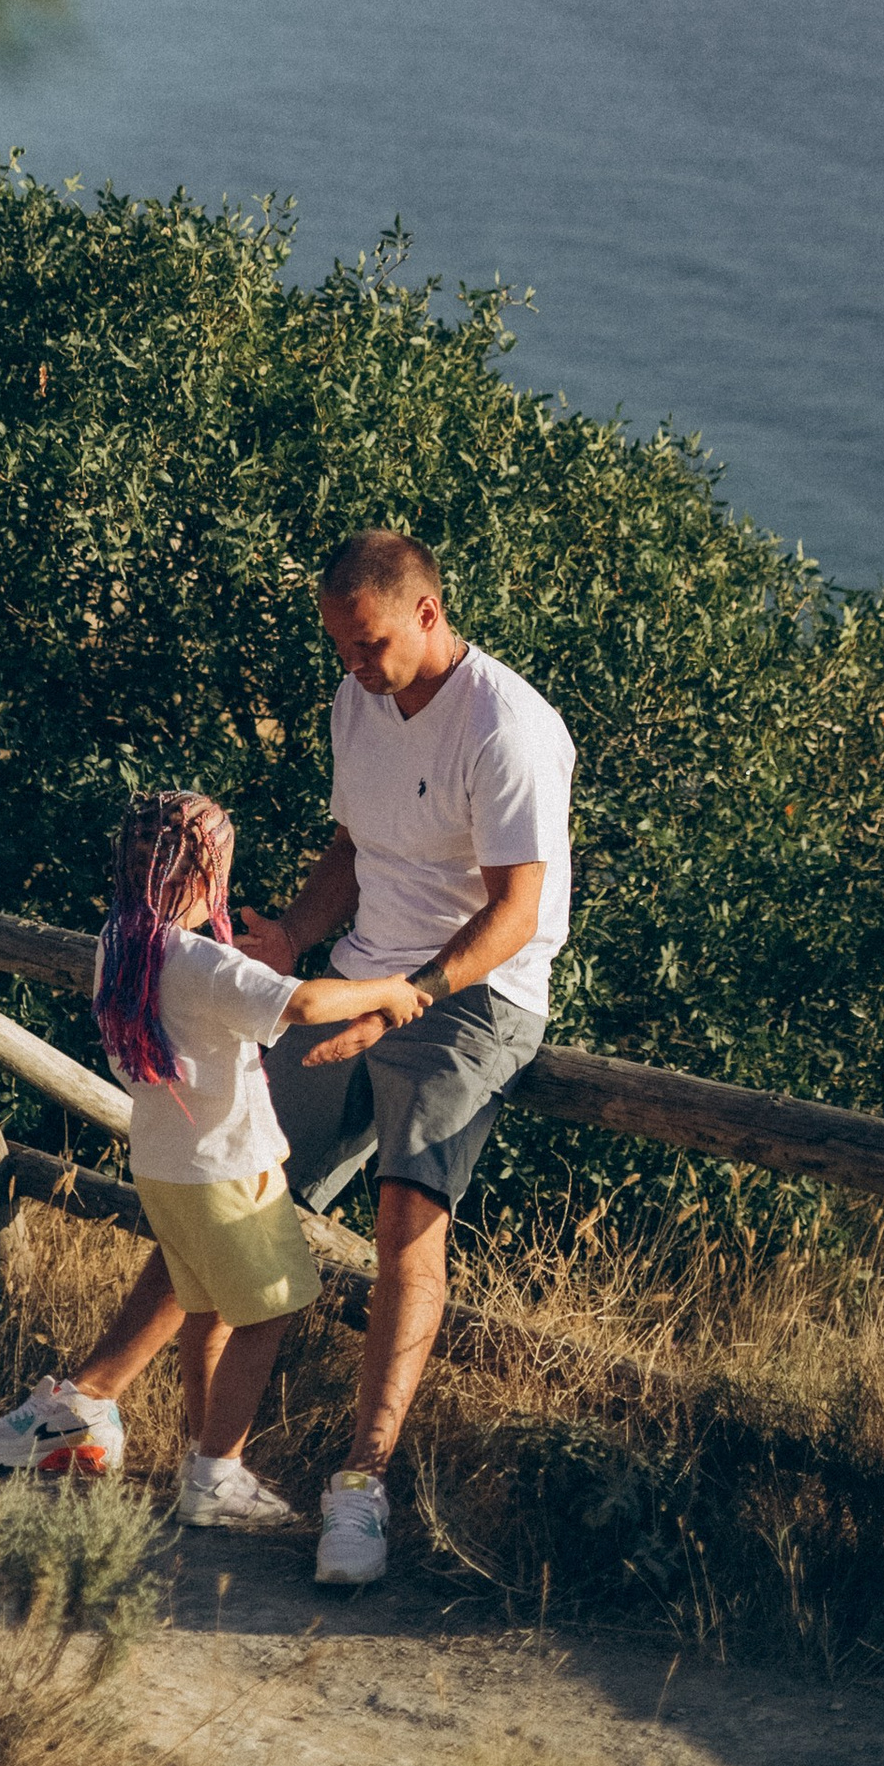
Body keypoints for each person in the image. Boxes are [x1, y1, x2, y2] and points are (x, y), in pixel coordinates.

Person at [239, 530, 574, 1592]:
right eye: (338, 646)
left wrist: (409, 998)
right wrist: (291, 937)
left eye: (368, 642)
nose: (354, 664)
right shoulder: (357, 700)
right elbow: (350, 850)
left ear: (427, 612)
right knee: (239, 1180)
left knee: (402, 1219)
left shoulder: (507, 729)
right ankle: (171, 1437)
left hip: (471, 997)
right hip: (361, 972)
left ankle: (360, 1485)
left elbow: (517, 913)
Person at [0, 786, 424, 1529]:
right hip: (232, 1170)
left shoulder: (120, 943)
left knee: (206, 1310)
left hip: (165, 1167)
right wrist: (392, 991)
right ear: (208, 880)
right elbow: (299, 1004)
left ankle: (202, 1457)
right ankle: (217, 1476)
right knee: (270, 1312)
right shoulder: (204, 964)